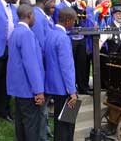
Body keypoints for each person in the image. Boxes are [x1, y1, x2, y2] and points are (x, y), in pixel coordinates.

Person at [7, 4, 45, 141]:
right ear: (30, 15)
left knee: (20, 122)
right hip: (28, 88)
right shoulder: (26, 33)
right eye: (34, 15)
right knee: (31, 125)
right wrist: (38, 91)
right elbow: (31, 65)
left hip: (18, 87)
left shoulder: (15, 31)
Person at [44, 7, 78, 141]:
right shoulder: (63, 38)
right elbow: (67, 67)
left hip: (52, 84)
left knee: (59, 123)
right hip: (64, 88)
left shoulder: (50, 33)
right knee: (66, 125)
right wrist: (72, 91)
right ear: (68, 20)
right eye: (74, 21)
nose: (74, 24)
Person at [31, 0, 54, 140]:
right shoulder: (38, 17)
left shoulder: (39, 15)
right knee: (40, 106)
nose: (54, 5)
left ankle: (44, 129)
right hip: (40, 66)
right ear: (45, 1)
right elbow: (42, 46)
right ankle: (41, 135)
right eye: (52, 1)